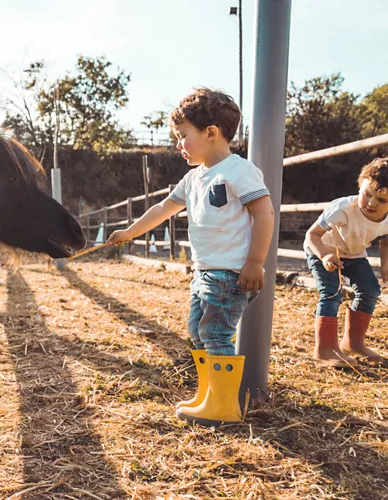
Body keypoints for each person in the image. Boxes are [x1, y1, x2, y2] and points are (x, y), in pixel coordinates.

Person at [107, 88, 274, 426]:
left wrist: (255, 261)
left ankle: (225, 406)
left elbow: (265, 213)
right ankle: (210, 395)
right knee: (198, 333)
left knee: (215, 334)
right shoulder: (193, 178)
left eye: (183, 136)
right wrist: (129, 232)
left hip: (229, 272)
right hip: (204, 273)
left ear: (211, 133)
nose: (179, 144)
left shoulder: (238, 171)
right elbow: (162, 209)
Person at [304, 157, 388, 368]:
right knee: (332, 291)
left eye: (381, 200)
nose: (371, 203)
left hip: (353, 253)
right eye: (367, 194)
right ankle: (324, 349)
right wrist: (324, 256)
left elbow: (386, 242)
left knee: (370, 290)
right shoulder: (342, 209)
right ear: (360, 186)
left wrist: (385, 267)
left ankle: (354, 343)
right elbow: (312, 235)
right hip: (323, 249)